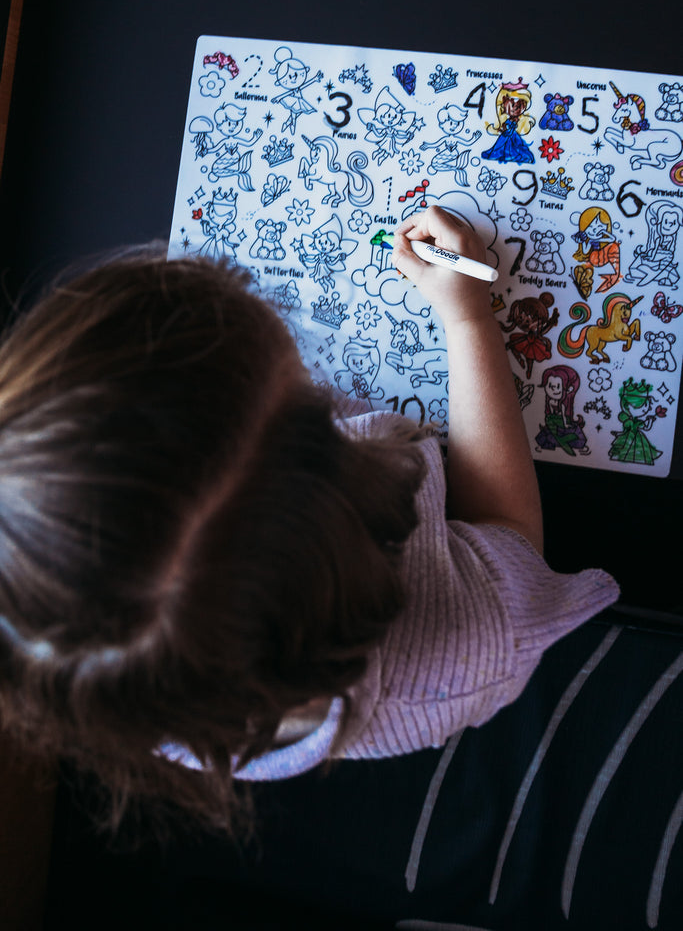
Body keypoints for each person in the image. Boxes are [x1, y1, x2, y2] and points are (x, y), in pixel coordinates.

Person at [0, 207, 619, 839]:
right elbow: (505, 530)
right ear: (354, 481)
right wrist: (467, 318)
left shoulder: (121, 671)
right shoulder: (472, 649)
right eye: (304, 393)